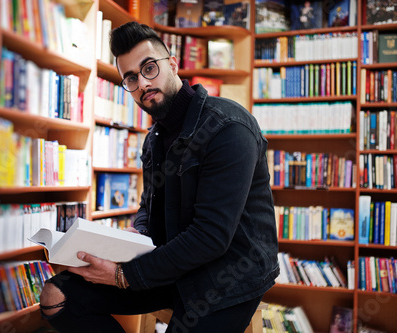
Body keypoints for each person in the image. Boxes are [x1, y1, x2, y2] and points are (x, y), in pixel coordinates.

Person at [39, 21, 279, 333]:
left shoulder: (228, 127)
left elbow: (211, 237)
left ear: (173, 65)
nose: (142, 83)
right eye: (131, 77)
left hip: (228, 274)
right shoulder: (154, 138)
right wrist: (136, 234)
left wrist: (124, 274)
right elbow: (148, 206)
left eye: (149, 68)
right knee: (57, 296)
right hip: (171, 265)